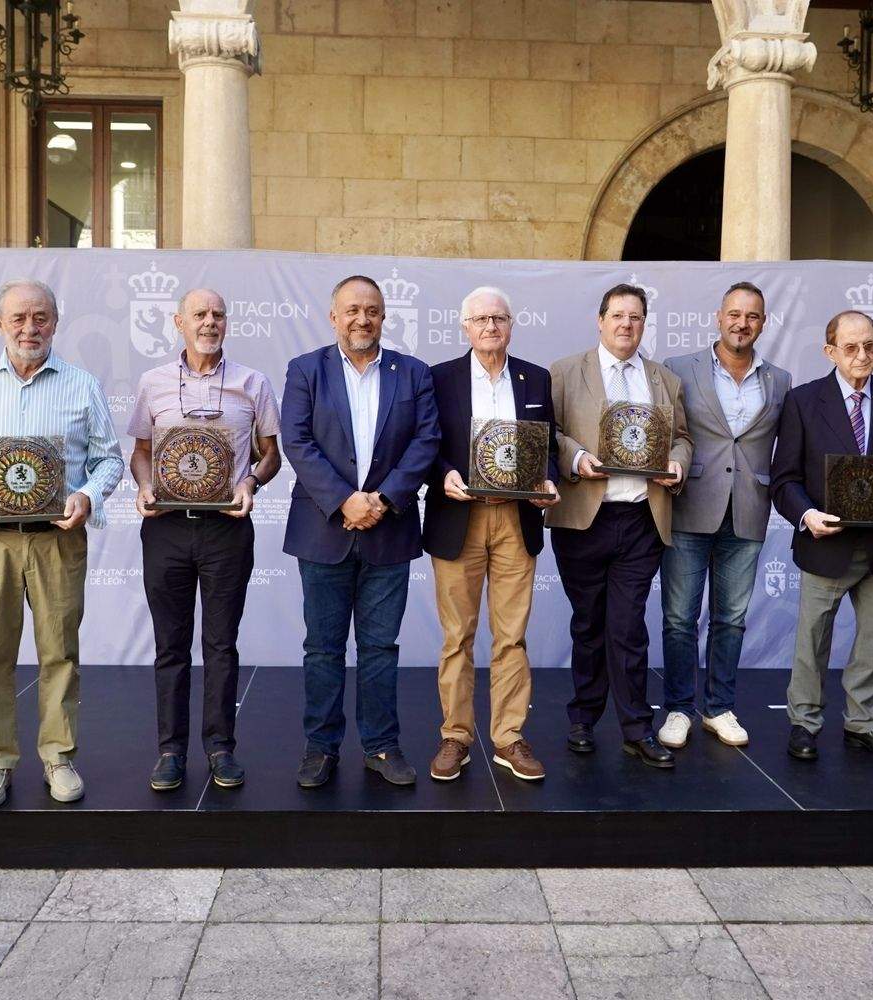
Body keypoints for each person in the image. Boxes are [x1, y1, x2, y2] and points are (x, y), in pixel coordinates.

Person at [0, 278, 124, 810]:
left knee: (58, 653)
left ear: (55, 322)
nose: (29, 328)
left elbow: (109, 459)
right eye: (18, 318)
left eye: (40, 317)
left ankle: (58, 757)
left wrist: (87, 495)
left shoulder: (82, 385)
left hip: (57, 542)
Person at [280, 275, 441, 788]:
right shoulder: (306, 370)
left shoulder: (412, 373)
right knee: (322, 648)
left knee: (380, 647)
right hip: (324, 529)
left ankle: (381, 746)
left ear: (384, 316)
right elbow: (297, 441)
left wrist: (383, 499)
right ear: (333, 317)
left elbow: (426, 441)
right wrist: (344, 500)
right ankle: (321, 748)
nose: (361, 319)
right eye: (351, 310)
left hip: (387, 528)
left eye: (371, 310)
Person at [129, 288, 281, 792]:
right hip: (167, 527)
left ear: (227, 322)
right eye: (200, 314)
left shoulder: (251, 383)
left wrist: (250, 482)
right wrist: (145, 484)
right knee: (170, 646)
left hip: (226, 530)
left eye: (218, 314)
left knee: (221, 644)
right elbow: (141, 453)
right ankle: (170, 751)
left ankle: (220, 748)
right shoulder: (152, 382)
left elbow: (270, 455)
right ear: (179, 322)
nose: (209, 322)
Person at [770, 309, 873, 762]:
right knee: (812, 641)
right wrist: (806, 515)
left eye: (870, 346)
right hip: (826, 544)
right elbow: (784, 479)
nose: (863, 356)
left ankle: (862, 724)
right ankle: (804, 722)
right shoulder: (803, 401)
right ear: (830, 351)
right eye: (852, 347)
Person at [547, 283, 692, 769]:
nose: (626, 325)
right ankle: (583, 720)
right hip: (584, 518)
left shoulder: (665, 380)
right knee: (589, 624)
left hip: (640, 519)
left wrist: (678, 463)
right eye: (618, 316)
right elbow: (550, 434)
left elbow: (684, 439)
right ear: (600, 320)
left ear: (644, 324)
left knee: (628, 628)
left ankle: (636, 728)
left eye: (635, 317)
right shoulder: (566, 372)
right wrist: (579, 457)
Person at [422, 286, 559, 782]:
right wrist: (442, 474)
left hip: (516, 519)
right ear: (464, 327)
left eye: (498, 318)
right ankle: (455, 736)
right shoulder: (439, 379)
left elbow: (548, 447)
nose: (490, 327)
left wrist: (546, 479)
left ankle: (509, 737)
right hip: (459, 517)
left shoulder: (535, 378)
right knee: (457, 637)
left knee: (512, 637)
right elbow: (426, 442)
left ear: (511, 324)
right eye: (480, 319)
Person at [658, 282, 791, 750]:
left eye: (751, 316)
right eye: (734, 314)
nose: (742, 323)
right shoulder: (679, 369)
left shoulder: (780, 380)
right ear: (718, 317)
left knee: (731, 618)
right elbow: (667, 432)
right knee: (679, 618)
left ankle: (718, 707)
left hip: (749, 512)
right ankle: (678, 708)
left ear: (763, 323)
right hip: (689, 505)